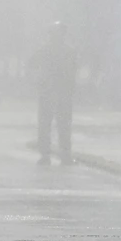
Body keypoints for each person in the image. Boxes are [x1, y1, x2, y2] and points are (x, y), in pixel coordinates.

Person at [32, 22, 77, 166]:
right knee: (58, 124)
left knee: (53, 124)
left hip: (55, 91)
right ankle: (58, 154)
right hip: (55, 91)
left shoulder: (47, 50)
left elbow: (36, 67)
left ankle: (52, 154)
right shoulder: (66, 51)